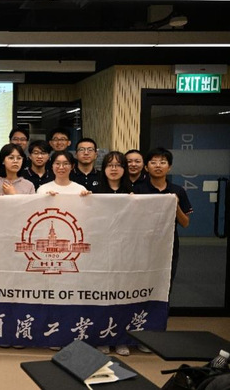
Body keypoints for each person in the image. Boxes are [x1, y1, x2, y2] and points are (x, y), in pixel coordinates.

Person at [134, 147, 192, 286]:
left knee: (165, 284)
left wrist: (175, 205)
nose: (158, 166)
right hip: (143, 245)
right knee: (141, 283)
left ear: (169, 167)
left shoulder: (178, 190)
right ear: (146, 167)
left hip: (169, 245)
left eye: (163, 162)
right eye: (153, 162)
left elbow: (185, 223)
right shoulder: (138, 189)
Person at [93, 150, 132, 356]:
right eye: (110, 165)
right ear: (104, 169)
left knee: (122, 297)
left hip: (125, 252)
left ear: (124, 169)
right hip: (100, 253)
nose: (114, 169)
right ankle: (103, 338)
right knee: (102, 297)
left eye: (118, 165)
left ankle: (121, 339)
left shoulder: (134, 192)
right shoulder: (95, 191)